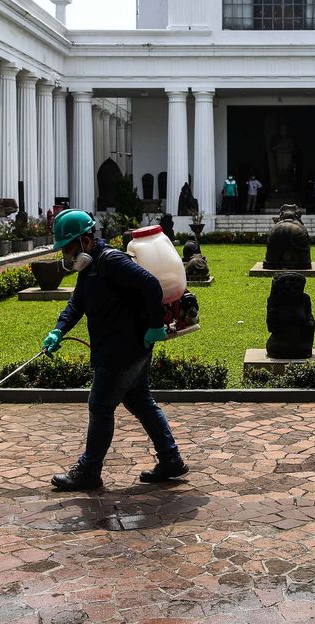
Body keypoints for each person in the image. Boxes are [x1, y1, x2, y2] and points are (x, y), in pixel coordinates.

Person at [42, 209, 187, 491]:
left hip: (124, 347)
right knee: (140, 402)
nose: (67, 255)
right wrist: (59, 329)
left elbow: (150, 284)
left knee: (100, 406)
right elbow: (77, 304)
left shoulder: (112, 261)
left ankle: (89, 471)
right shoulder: (89, 269)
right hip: (120, 346)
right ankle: (171, 460)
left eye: (69, 247)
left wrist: (156, 325)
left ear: (85, 240)